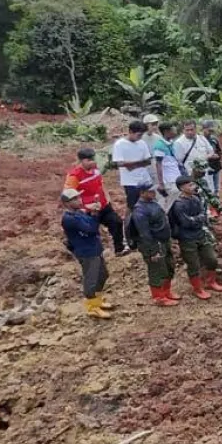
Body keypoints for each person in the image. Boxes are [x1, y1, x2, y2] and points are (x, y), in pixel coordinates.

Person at [168, 175, 222, 299]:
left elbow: (203, 215)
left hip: (200, 234)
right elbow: (185, 222)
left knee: (212, 259)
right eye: (190, 185)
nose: (193, 187)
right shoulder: (178, 205)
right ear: (182, 188)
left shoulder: (196, 199)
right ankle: (197, 289)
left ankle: (211, 282)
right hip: (187, 238)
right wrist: (197, 219)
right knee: (193, 265)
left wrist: (196, 219)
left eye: (193, 184)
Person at [61, 189, 111, 319]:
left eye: (78, 197)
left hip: (94, 249)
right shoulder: (69, 219)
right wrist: (95, 214)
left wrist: (93, 213)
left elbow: (90, 223)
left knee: (103, 275)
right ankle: (92, 307)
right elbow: (91, 229)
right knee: (91, 279)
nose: (79, 200)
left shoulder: (79, 213)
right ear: (66, 203)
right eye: (75, 199)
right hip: (87, 252)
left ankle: (97, 301)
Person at [65, 147, 126, 257]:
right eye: (88, 160)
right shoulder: (74, 176)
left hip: (102, 205)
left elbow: (101, 184)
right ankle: (72, 247)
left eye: (92, 159)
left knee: (116, 222)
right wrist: (83, 208)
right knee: (88, 232)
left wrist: (107, 199)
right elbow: (69, 195)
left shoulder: (96, 170)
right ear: (81, 161)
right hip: (88, 209)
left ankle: (119, 249)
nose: (92, 162)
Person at [111, 120, 155, 251]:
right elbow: (119, 163)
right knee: (132, 209)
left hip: (145, 179)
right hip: (130, 182)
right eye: (138, 135)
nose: (140, 137)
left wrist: (132, 164)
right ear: (130, 132)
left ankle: (146, 233)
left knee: (148, 206)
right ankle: (130, 237)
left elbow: (147, 161)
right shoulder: (120, 144)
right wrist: (136, 163)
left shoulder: (142, 143)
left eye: (141, 135)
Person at [132, 186, 179, 307]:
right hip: (154, 243)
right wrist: (152, 251)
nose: (153, 193)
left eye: (154, 191)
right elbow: (144, 233)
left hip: (163, 241)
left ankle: (167, 292)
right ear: (142, 193)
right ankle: (159, 297)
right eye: (150, 191)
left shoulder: (153, 203)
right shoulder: (140, 210)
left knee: (168, 266)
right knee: (157, 270)